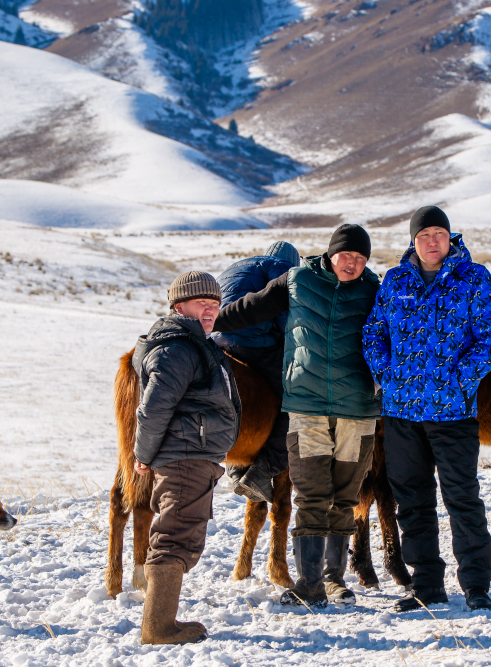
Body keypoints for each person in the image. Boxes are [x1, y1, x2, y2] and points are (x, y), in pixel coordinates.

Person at [213, 224, 381, 608]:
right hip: (306, 409)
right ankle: (309, 583)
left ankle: (334, 580)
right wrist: (207, 321)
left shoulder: (376, 291)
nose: (352, 263)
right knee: (310, 496)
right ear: (330, 253)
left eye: (360, 257)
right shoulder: (298, 280)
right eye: (346, 255)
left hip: (356, 411)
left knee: (344, 496)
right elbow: (250, 308)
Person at [362, 206, 491, 612]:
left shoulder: (473, 278)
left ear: (450, 238)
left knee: (462, 497)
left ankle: (476, 584)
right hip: (402, 412)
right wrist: (386, 374)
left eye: (438, 233)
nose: (431, 241)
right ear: (413, 240)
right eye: (423, 234)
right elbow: (374, 332)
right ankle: (426, 584)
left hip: (454, 413)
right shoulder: (395, 280)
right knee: (412, 500)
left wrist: (462, 377)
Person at [132, 271, 242, 644]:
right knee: (175, 536)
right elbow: (153, 408)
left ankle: (161, 622)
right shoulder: (177, 348)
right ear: (180, 306)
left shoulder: (196, 343)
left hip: (196, 455)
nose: (211, 310)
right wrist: (143, 455)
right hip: (184, 456)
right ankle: (158, 627)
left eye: (215, 304)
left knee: (184, 534)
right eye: (202, 304)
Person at [213, 241, 300, 504]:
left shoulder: (238, 266)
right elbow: (285, 316)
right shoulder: (283, 269)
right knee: (296, 400)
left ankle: (236, 466)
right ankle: (262, 471)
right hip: (251, 342)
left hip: (216, 340)